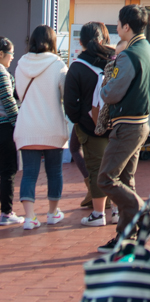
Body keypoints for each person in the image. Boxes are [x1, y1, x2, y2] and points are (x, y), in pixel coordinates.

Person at [96, 4, 150, 249]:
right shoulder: (149, 51)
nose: (117, 28)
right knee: (125, 179)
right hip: (141, 123)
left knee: (106, 178)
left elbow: (111, 93)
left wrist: (104, 86)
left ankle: (144, 214)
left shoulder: (129, 54)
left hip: (127, 125)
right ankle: (126, 236)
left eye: (119, 24)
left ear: (126, 26)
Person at [13, 24, 68, 231]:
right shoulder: (59, 65)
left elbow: (19, 93)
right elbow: (65, 95)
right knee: (55, 172)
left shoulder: (20, 65)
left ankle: (29, 217)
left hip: (27, 127)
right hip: (52, 126)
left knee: (28, 174)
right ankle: (53, 213)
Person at [64, 21, 116, 226]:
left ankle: (98, 214)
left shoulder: (77, 66)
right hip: (117, 124)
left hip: (91, 127)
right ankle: (118, 211)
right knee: (116, 167)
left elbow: (70, 103)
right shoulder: (116, 61)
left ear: (81, 41)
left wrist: (80, 121)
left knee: (96, 168)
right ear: (105, 39)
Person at [0, 37, 22, 225]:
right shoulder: (1, 72)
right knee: (8, 170)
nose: (12, 58)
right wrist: (17, 123)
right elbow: (8, 100)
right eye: (11, 54)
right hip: (4, 127)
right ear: (1, 53)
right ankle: (6, 213)